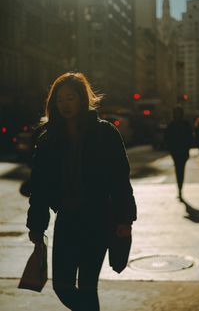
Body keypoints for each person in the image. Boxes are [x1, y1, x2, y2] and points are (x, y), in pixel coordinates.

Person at [26, 72, 137, 311]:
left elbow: (120, 180)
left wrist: (125, 219)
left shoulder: (105, 133)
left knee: (87, 286)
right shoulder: (48, 139)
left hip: (98, 220)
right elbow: (40, 188)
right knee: (62, 286)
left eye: (71, 98)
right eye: (60, 99)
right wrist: (36, 225)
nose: (65, 104)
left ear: (82, 99)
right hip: (66, 220)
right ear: (53, 103)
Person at [165, 105, 193, 201]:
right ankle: (179, 188)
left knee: (180, 170)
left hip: (182, 151)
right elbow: (167, 138)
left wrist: (188, 148)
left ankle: (180, 188)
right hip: (176, 151)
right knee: (179, 170)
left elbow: (190, 137)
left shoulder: (182, 124)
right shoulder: (173, 125)